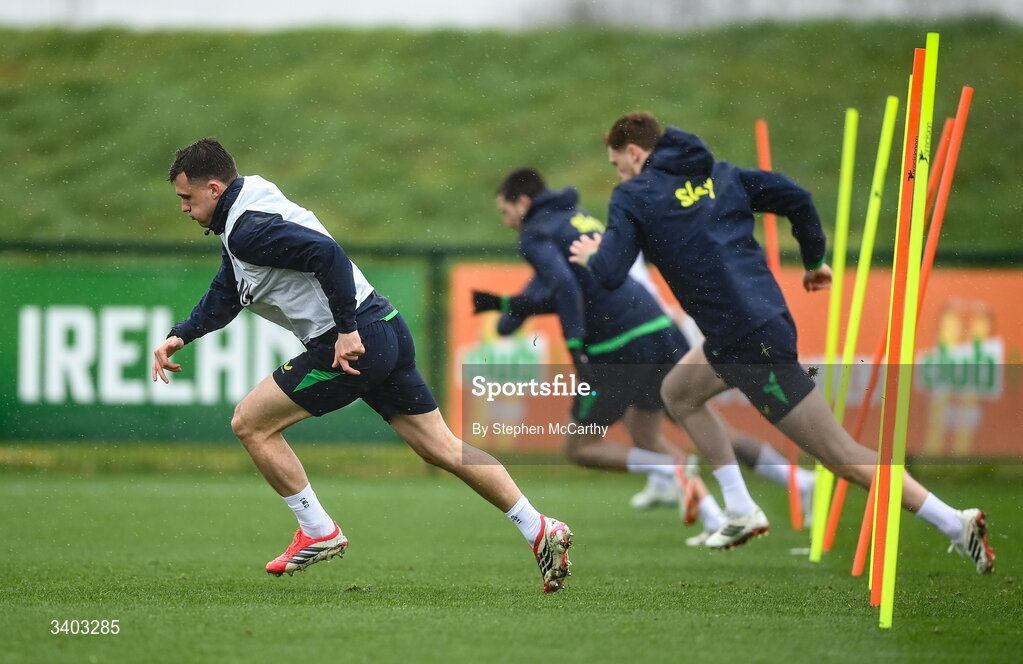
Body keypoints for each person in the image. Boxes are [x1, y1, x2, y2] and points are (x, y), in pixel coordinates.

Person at [569, 112, 993, 572]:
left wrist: (593, 253)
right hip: (756, 326)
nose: (619, 173)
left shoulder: (634, 195)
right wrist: (814, 260)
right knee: (679, 393)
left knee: (843, 457)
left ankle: (954, 521)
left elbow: (610, 273)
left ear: (634, 152)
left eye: (617, 164)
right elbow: (796, 197)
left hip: (749, 343)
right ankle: (739, 507)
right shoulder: (722, 175)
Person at [151, 138, 572, 592]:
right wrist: (184, 332)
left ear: (213, 188)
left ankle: (318, 530)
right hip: (384, 324)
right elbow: (231, 287)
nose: (184, 208)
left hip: (350, 342)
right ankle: (538, 527)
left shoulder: (246, 229)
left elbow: (325, 254)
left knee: (250, 423)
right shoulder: (250, 202)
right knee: (442, 447)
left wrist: (346, 330)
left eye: (186, 198)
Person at [477, 167, 815, 546]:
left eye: (505, 212)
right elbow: (553, 286)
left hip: (619, 342)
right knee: (655, 429)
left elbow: (564, 289)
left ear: (522, 203)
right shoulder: (573, 217)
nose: (506, 221)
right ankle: (751, 501)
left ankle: (675, 472)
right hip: (657, 324)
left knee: (580, 445)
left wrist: (574, 351)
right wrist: (510, 312)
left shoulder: (536, 232)